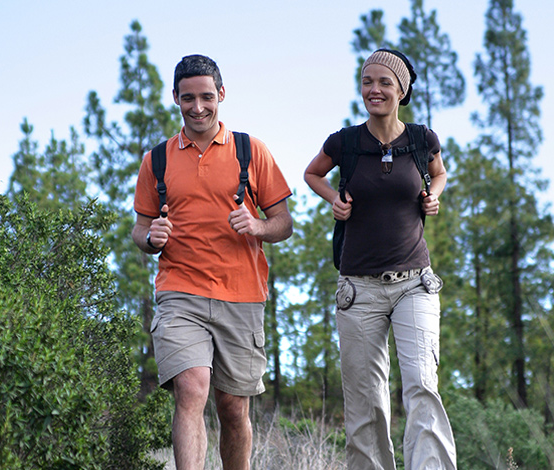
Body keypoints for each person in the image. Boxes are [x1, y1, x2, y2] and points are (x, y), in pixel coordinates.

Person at [132, 54, 293, 470]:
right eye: (188, 98)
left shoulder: (249, 151)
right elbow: (140, 230)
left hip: (241, 296)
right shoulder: (157, 161)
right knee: (191, 388)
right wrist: (152, 238)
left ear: (221, 94)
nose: (198, 107)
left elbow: (283, 223)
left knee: (232, 408)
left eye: (206, 97)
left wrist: (258, 227)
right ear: (175, 98)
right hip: (179, 292)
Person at [304, 49, 457, 469]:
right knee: (366, 401)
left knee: (422, 385)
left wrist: (433, 196)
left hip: (415, 283)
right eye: (367, 81)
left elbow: (439, 172)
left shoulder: (421, 140)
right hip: (359, 288)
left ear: (401, 90)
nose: (374, 89)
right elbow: (312, 173)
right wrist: (335, 199)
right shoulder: (345, 142)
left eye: (385, 82)